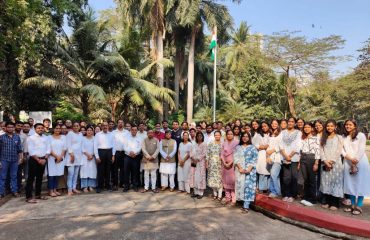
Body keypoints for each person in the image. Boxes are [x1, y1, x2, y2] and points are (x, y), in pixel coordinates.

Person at [342, 119, 370, 215]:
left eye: (350, 125)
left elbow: (361, 149)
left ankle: (359, 205)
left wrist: (355, 161)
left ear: (354, 126)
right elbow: (342, 150)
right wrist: (349, 159)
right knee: (350, 184)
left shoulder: (361, 135)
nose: (348, 126)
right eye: (346, 125)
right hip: (348, 162)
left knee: (360, 183)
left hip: (360, 162)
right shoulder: (343, 136)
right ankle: (352, 205)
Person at [320, 119, 344, 211]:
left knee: (335, 182)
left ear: (335, 127)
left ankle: (335, 203)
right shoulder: (323, 137)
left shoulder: (339, 137)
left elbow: (339, 150)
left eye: (331, 126)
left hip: (336, 164)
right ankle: (327, 201)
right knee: (326, 181)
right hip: (325, 163)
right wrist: (325, 161)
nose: (329, 127)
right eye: (328, 126)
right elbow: (321, 150)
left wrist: (332, 161)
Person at [25, 123, 50, 203]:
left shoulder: (46, 138)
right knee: (31, 179)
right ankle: (28, 197)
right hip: (34, 160)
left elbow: (48, 148)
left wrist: (45, 158)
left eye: (42, 128)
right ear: (35, 129)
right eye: (38, 128)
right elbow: (31, 151)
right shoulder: (30, 138)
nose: (40, 129)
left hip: (44, 159)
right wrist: (38, 160)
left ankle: (38, 195)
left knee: (40, 178)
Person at [235, 132, 258, 213]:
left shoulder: (253, 147)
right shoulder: (238, 147)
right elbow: (235, 158)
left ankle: (246, 206)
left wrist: (249, 168)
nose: (245, 138)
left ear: (249, 138)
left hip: (250, 171)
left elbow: (255, 159)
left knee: (248, 188)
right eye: (243, 136)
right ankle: (242, 202)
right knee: (241, 186)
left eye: (246, 136)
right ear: (241, 138)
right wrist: (240, 168)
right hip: (240, 170)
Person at [280, 117, 302, 202]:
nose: (290, 123)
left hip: (294, 158)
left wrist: (290, 156)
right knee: (286, 177)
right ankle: (286, 194)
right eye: (289, 121)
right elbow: (280, 144)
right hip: (285, 158)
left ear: (295, 123)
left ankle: (293, 195)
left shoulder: (298, 133)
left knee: (294, 177)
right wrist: (286, 156)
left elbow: (298, 145)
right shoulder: (283, 132)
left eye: (292, 122)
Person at [299, 122, 320, 206]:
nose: (306, 129)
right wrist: (299, 162)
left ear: (311, 128)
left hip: (311, 158)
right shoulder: (303, 138)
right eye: (305, 127)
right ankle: (306, 197)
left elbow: (318, 151)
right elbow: (301, 150)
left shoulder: (316, 138)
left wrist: (316, 163)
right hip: (303, 158)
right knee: (305, 179)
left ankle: (313, 199)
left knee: (311, 179)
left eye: (308, 127)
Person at [0, 122, 23, 199]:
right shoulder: (1, 137)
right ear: (5, 128)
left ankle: (14, 191)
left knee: (14, 176)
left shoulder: (17, 137)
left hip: (14, 160)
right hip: (4, 160)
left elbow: (20, 149)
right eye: (9, 127)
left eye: (12, 127)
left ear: (14, 128)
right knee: (3, 177)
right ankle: (1, 192)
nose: (10, 128)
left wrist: (20, 158)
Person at [94, 121, 115, 193]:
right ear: (101, 127)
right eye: (104, 125)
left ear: (108, 126)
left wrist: (113, 155)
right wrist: (97, 156)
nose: (105, 127)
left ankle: (108, 186)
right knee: (100, 171)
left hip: (109, 152)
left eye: (106, 125)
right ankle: (100, 186)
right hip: (101, 152)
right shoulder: (98, 135)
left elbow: (113, 145)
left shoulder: (111, 134)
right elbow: (95, 146)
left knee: (108, 170)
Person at [47, 125, 67, 197]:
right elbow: (49, 148)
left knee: (57, 175)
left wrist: (60, 157)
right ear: (53, 129)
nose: (58, 130)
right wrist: (56, 156)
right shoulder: (49, 137)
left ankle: (55, 189)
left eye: (59, 128)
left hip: (61, 159)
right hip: (52, 158)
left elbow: (64, 148)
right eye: (56, 128)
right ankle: (50, 190)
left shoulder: (63, 137)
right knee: (51, 175)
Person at [221, 130, 239, 205]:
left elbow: (237, 154)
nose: (229, 135)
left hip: (233, 164)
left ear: (233, 135)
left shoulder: (237, 142)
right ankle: (227, 197)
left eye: (231, 134)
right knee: (226, 180)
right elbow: (221, 154)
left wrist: (231, 162)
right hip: (224, 164)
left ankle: (234, 199)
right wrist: (224, 162)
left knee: (232, 181)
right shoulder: (224, 143)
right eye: (228, 134)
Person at [65, 122, 83, 196]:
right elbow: (68, 144)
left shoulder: (81, 134)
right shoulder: (70, 134)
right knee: (70, 174)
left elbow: (81, 145)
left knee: (76, 174)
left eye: (77, 126)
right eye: (74, 126)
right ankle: (69, 189)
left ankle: (74, 188)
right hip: (71, 156)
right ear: (72, 127)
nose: (76, 127)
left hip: (79, 156)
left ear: (79, 127)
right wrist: (71, 154)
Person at [122, 125, 142, 192]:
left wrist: (135, 153)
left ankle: (135, 186)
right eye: (132, 129)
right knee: (126, 172)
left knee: (135, 172)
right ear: (130, 130)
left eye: (135, 130)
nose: (134, 131)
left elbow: (140, 147)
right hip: (127, 156)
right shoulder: (126, 138)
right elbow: (124, 146)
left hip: (136, 157)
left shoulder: (139, 138)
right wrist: (130, 152)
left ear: (137, 131)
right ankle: (126, 186)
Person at [253, 121, 270, 193]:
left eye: (265, 126)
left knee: (269, 171)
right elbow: (256, 145)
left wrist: (267, 147)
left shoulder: (271, 134)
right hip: (261, 154)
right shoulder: (259, 135)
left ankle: (268, 187)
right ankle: (262, 188)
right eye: (262, 126)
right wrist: (263, 147)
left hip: (271, 154)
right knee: (262, 170)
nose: (264, 128)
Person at [189, 131, 207, 199]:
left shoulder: (204, 144)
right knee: (194, 176)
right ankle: (195, 192)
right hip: (194, 162)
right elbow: (190, 152)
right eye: (198, 136)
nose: (199, 137)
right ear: (196, 137)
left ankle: (201, 193)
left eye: (200, 136)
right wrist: (193, 158)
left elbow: (204, 153)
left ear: (202, 137)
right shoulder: (194, 144)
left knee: (200, 177)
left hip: (201, 163)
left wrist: (197, 159)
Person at [266, 119, 282, 198]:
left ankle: (275, 192)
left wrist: (272, 151)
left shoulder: (281, 134)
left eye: (275, 123)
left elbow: (281, 146)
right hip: (270, 157)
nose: (274, 125)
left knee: (273, 174)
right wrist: (268, 156)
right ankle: (273, 190)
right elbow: (268, 146)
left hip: (277, 158)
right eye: (272, 123)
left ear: (278, 124)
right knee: (272, 175)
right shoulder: (270, 134)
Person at [206, 131, 223, 200]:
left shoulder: (223, 144)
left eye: (218, 135)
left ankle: (220, 195)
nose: (217, 136)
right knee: (212, 179)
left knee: (219, 179)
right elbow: (207, 153)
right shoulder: (210, 143)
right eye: (215, 135)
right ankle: (215, 194)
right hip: (211, 164)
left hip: (220, 164)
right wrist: (207, 163)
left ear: (220, 136)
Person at [81, 126, 97, 193]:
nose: (89, 131)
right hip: (84, 157)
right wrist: (88, 155)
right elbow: (82, 148)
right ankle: (84, 187)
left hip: (92, 157)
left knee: (92, 171)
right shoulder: (83, 139)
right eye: (88, 130)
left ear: (92, 131)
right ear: (86, 131)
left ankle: (91, 186)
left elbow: (96, 148)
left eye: (91, 130)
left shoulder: (95, 139)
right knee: (84, 172)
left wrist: (92, 155)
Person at [113, 119, 127, 188]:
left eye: (122, 122)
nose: (120, 123)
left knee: (123, 169)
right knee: (115, 169)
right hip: (116, 152)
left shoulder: (127, 132)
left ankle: (122, 183)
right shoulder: (113, 132)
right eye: (119, 122)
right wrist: (113, 155)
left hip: (124, 153)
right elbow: (112, 143)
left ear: (123, 124)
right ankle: (115, 184)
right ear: (117, 124)